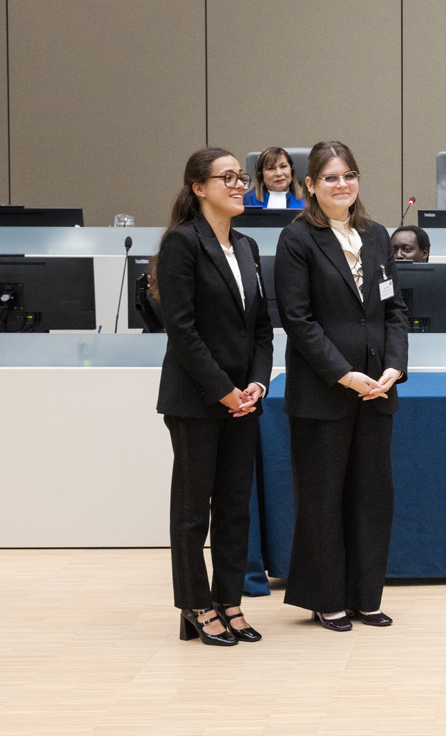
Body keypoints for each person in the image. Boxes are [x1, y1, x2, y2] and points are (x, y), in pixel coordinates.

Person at [275, 140, 409, 632]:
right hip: (324, 393)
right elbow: (298, 319)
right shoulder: (297, 239)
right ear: (310, 185)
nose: (342, 184)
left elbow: (393, 311)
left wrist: (393, 368)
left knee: (373, 497)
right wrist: (343, 375)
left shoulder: (376, 237)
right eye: (330, 177)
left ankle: (365, 596)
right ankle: (326, 597)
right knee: (322, 497)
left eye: (349, 175)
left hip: (377, 392)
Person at [154, 146, 273, 646]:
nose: (238, 184)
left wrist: (257, 383)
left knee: (234, 506)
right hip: (196, 399)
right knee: (191, 509)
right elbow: (181, 330)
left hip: (243, 399)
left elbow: (262, 329)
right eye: (227, 177)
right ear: (199, 188)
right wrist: (223, 391)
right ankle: (196, 605)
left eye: (241, 177)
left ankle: (230, 601)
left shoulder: (246, 246)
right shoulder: (183, 244)